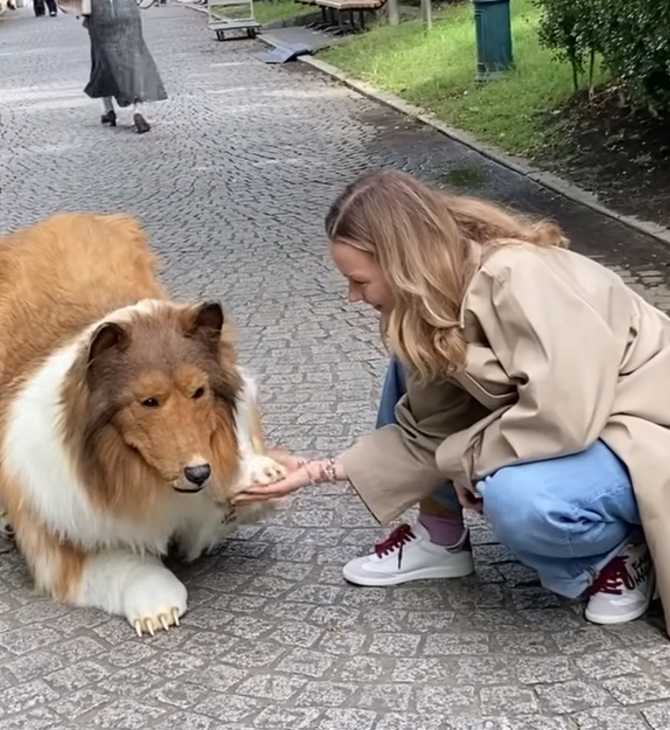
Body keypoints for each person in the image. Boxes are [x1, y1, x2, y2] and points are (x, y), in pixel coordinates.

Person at [234, 168, 670, 630]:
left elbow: (563, 417)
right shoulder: (428, 303)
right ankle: (440, 536)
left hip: (642, 427)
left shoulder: (517, 277)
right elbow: (430, 428)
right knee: (411, 364)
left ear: (402, 263)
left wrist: (468, 460)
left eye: (359, 280)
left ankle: (617, 553)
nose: (352, 297)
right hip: (585, 426)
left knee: (521, 499)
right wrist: (318, 471)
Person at [58, 0, 167, 133]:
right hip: (127, 9)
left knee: (104, 58)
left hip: (100, 12)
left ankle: (108, 109)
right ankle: (137, 109)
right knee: (134, 56)